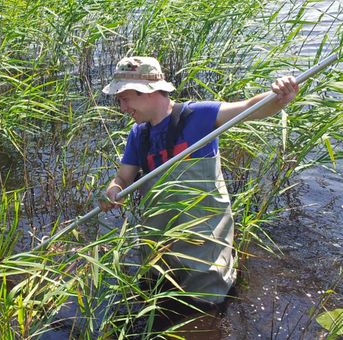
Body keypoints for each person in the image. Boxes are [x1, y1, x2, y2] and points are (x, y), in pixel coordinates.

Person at [98, 56, 298, 315]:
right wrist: (113, 189)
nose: (123, 108)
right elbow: (123, 178)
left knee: (207, 306)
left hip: (203, 238)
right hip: (159, 237)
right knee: (156, 300)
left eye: (125, 98)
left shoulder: (197, 116)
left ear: (148, 92)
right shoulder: (139, 135)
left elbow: (250, 107)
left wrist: (280, 97)